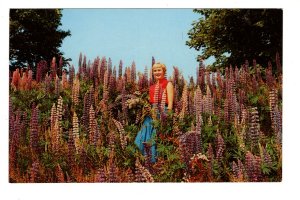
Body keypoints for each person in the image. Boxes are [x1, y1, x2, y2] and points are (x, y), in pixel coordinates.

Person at [134, 62, 174, 163]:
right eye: (155, 71)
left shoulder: (168, 84)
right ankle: (140, 159)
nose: (157, 72)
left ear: (164, 71)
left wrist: (168, 116)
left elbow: (170, 104)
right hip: (151, 112)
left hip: (162, 112)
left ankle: (154, 162)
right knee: (143, 134)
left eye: (159, 70)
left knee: (155, 137)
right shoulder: (152, 86)